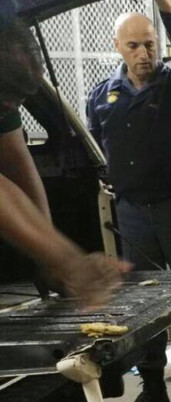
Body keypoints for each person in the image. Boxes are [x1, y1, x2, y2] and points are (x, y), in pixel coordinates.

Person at [85, 0, 171, 402]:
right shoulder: (103, 94)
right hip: (133, 214)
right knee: (144, 305)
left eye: (149, 44)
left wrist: (169, 13)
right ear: (118, 48)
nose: (143, 54)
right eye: (134, 46)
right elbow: (95, 144)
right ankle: (154, 389)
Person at [0, 14, 128, 309]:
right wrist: (65, 258)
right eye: (5, 100)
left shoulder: (5, 95)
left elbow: (17, 163)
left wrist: (49, 261)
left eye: (16, 102)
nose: (8, 109)